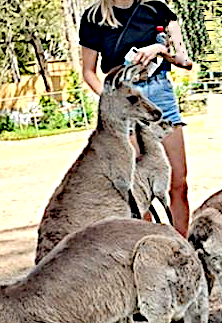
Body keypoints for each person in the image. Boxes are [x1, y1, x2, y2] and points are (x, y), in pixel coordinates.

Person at [79, 0, 195, 236]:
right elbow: (88, 72)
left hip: (160, 92)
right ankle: (154, 250)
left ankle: (184, 249)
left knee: (177, 180)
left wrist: (158, 49)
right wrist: (113, 100)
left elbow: (185, 60)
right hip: (124, 98)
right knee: (139, 190)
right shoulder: (93, 16)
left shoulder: (156, 9)